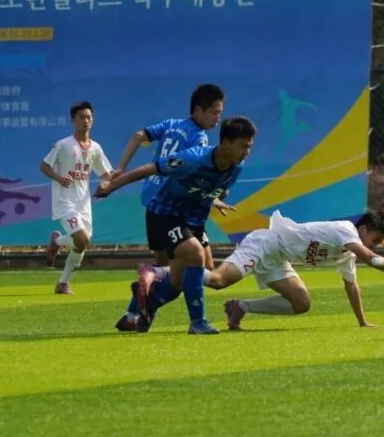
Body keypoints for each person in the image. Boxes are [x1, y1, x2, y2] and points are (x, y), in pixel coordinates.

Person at [96, 116, 256, 335]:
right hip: (165, 213)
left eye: (250, 146)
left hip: (194, 220)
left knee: (180, 282)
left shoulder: (237, 168)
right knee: (196, 256)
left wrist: (217, 198)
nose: (247, 151)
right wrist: (112, 186)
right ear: (226, 143)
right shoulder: (193, 158)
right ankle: (198, 323)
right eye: (243, 146)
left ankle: (138, 310)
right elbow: (150, 169)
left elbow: (215, 188)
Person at [197, 210, 384, 330]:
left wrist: (363, 322)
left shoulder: (348, 254)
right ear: (363, 229)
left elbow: (351, 287)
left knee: (301, 303)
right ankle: (166, 271)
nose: (374, 245)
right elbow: (371, 258)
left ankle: (240, 307)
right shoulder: (346, 229)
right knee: (218, 281)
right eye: (376, 239)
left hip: (279, 259)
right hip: (266, 243)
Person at [112, 84, 226, 332]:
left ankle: (133, 313)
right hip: (175, 201)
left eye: (220, 113)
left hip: (151, 199)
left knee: (176, 267)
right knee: (198, 268)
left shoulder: (172, 124)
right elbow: (187, 172)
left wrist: (121, 167)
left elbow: (137, 135)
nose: (218, 118)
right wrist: (210, 196)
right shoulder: (199, 137)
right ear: (198, 110)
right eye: (214, 113)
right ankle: (153, 279)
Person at [41, 101, 114, 294]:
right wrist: (59, 178)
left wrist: (110, 182)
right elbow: (44, 166)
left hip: (84, 203)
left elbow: (107, 174)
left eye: (89, 117)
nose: (86, 121)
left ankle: (61, 275)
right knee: (81, 239)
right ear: (73, 120)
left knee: (82, 243)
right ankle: (63, 280)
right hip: (65, 201)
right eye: (81, 117)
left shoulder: (95, 148)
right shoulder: (63, 145)